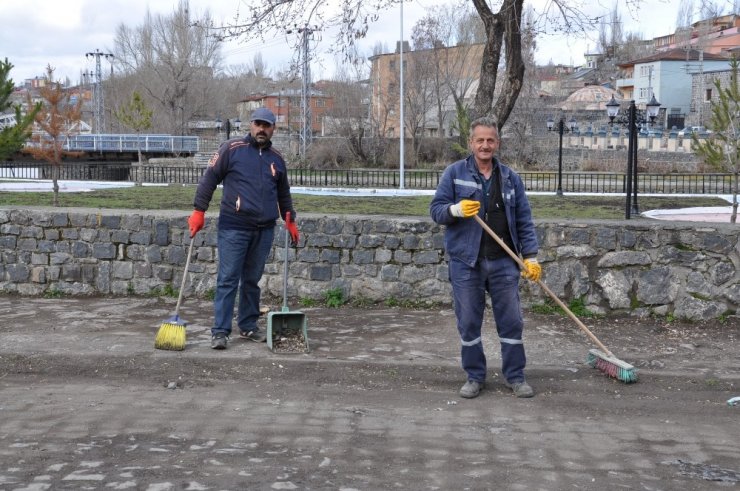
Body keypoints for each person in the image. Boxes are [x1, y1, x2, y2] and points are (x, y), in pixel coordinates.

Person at [430, 116, 542, 399]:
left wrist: (531, 257)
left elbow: (524, 220)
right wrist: (454, 210)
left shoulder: (510, 178)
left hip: (504, 262)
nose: (485, 145)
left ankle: (515, 377)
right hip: (466, 262)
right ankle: (474, 376)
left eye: (490, 140)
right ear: (471, 143)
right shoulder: (455, 173)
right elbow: (436, 210)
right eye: (480, 140)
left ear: (497, 143)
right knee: (468, 321)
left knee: (512, 321)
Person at [188, 107, 299, 350]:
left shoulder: (277, 159)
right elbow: (209, 179)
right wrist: (199, 210)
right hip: (234, 228)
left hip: (264, 229)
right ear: (250, 125)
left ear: (273, 129)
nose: (261, 129)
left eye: (266, 125)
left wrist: (290, 219)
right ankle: (220, 331)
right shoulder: (231, 149)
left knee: (252, 280)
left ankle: (248, 325)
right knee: (228, 279)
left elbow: (283, 193)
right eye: (258, 124)